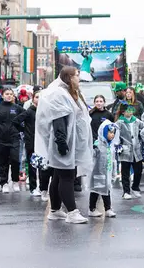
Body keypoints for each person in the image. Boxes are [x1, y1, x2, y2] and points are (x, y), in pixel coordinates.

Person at [35, 66, 93, 224]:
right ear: (69, 77)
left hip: (69, 143)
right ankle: (72, 212)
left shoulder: (67, 92)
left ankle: (55, 210)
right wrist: (61, 142)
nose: (78, 78)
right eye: (77, 75)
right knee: (67, 177)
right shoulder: (60, 94)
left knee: (58, 177)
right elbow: (58, 119)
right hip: (64, 143)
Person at [116, 103, 144, 200]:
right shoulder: (119, 123)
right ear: (123, 112)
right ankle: (126, 191)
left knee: (138, 170)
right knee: (125, 171)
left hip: (136, 149)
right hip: (125, 150)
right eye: (128, 111)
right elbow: (116, 135)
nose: (130, 112)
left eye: (131, 110)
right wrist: (118, 146)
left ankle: (135, 187)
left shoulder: (136, 121)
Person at [13, 90, 41, 197]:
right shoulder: (29, 111)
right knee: (32, 164)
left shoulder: (45, 111)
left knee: (43, 166)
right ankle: (33, 188)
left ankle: (42, 187)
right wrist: (24, 130)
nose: (39, 99)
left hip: (42, 141)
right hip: (31, 141)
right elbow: (16, 121)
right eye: (37, 97)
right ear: (33, 99)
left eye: (41, 97)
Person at [88, 120, 119, 218]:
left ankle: (108, 208)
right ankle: (92, 209)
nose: (112, 135)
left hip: (107, 173)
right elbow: (91, 158)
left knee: (107, 190)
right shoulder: (97, 145)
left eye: (113, 133)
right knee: (95, 191)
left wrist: (114, 172)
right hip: (98, 173)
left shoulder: (111, 146)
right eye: (110, 132)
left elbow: (113, 160)